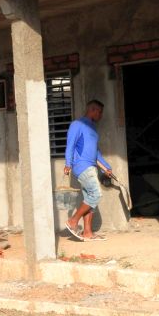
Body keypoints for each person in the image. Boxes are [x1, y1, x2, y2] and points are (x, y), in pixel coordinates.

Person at [62, 99, 112, 241]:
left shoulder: (93, 130)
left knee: (90, 199)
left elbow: (96, 153)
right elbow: (70, 145)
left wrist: (106, 167)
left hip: (91, 166)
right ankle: (73, 221)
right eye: (100, 112)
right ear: (93, 110)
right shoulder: (77, 125)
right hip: (82, 166)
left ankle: (87, 232)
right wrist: (68, 163)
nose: (101, 116)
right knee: (95, 194)